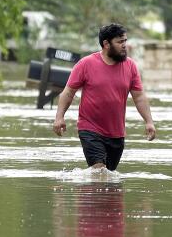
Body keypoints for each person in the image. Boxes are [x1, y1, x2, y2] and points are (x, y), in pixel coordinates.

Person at [52, 23, 156, 171]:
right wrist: (59, 117)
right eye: (120, 42)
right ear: (106, 44)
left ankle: (89, 193)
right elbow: (68, 92)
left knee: (109, 177)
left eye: (125, 41)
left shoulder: (131, 66)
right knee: (100, 171)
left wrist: (149, 122)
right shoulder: (85, 64)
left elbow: (139, 97)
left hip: (117, 133)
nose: (124, 45)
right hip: (90, 129)